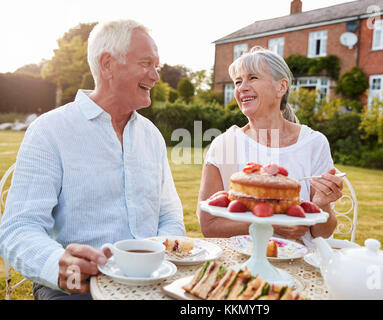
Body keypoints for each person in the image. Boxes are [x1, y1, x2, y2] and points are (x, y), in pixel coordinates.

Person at [0, 19, 185, 300]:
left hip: (149, 279)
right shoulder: (50, 131)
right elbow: (19, 228)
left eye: (156, 65)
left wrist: (158, 255)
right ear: (108, 64)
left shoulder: (152, 136)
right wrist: (58, 266)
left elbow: (170, 215)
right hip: (78, 288)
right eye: (146, 63)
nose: (156, 76)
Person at [197, 46, 342, 246]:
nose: (242, 87)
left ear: (281, 87)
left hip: (299, 261)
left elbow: (323, 233)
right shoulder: (224, 144)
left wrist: (322, 206)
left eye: (252, 78)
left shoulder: (314, 143)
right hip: (243, 261)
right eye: (238, 82)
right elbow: (209, 226)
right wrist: (273, 225)